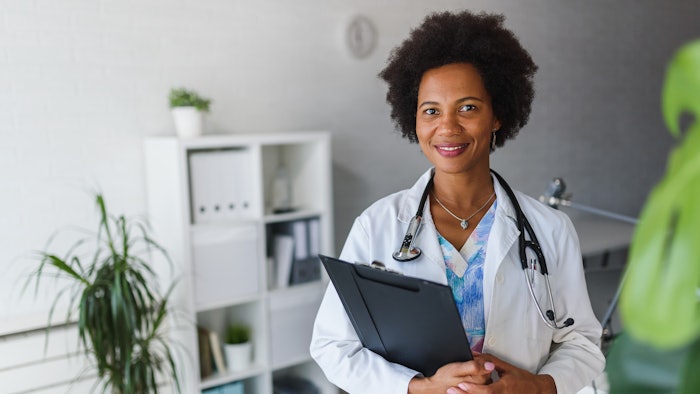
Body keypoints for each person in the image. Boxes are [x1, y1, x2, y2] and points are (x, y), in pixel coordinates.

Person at [310, 10, 605, 394]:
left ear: (497, 115)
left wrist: (539, 386)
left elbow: (581, 343)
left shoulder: (550, 229)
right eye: (431, 111)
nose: (447, 127)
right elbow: (332, 346)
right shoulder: (378, 225)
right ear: (413, 120)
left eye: (468, 107)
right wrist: (420, 387)